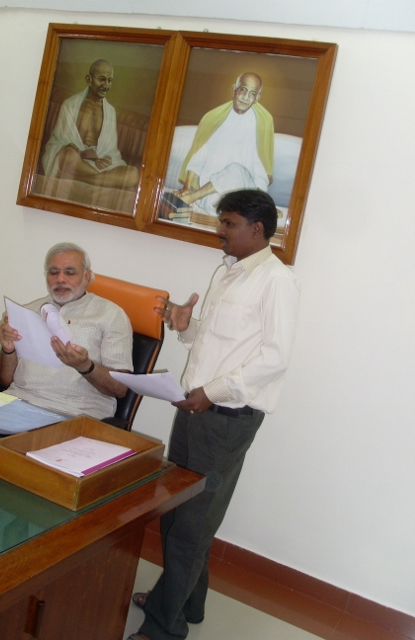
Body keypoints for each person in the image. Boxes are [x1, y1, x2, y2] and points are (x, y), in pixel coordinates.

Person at [128, 189, 299, 640]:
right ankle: (189, 603)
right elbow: (221, 342)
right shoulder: (227, 272)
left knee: (192, 522)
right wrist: (188, 328)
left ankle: (164, 627)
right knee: (179, 511)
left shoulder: (277, 281)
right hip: (195, 406)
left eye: (228, 223)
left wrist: (212, 392)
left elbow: (274, 358)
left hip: (226, 417)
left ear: (256, 229)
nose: (220, 231)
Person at [0, 242, 133, 420]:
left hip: (74, 413)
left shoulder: (110, 315)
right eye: (53, 272)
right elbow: (5, 381)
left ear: (87, 276)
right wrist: (7, 349)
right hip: (17, 403)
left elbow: (119, 389)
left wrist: (84, 366)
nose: (60, 279)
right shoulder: (28, 311)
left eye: (70, 272)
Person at [174, 72, 274, 215]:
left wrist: (262, 203)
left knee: (235, 170)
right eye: (243, 90)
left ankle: (193, 198)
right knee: (216, 207)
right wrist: (186, 187)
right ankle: (202, 199)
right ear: (234, 90)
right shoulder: (213, 118)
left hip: (243, 188)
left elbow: (260, 168)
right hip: (209, 190)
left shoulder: (260, 124)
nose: (246, 97)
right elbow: (199, 155)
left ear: (257, 98)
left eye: (252, 94)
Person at [42, 59, 139, 189]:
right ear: (89, 79)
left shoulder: (110, 111)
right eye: (102, 79)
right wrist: (82, 154)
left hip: (97, 163)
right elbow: (59, 142)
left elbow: (110, 150)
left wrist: (106, 159)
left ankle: (80, 178)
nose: (106, 85)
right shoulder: (70, 105)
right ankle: (102, 180)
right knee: (67, 155)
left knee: (133, 173)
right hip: (77, 160)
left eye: (110, 80)